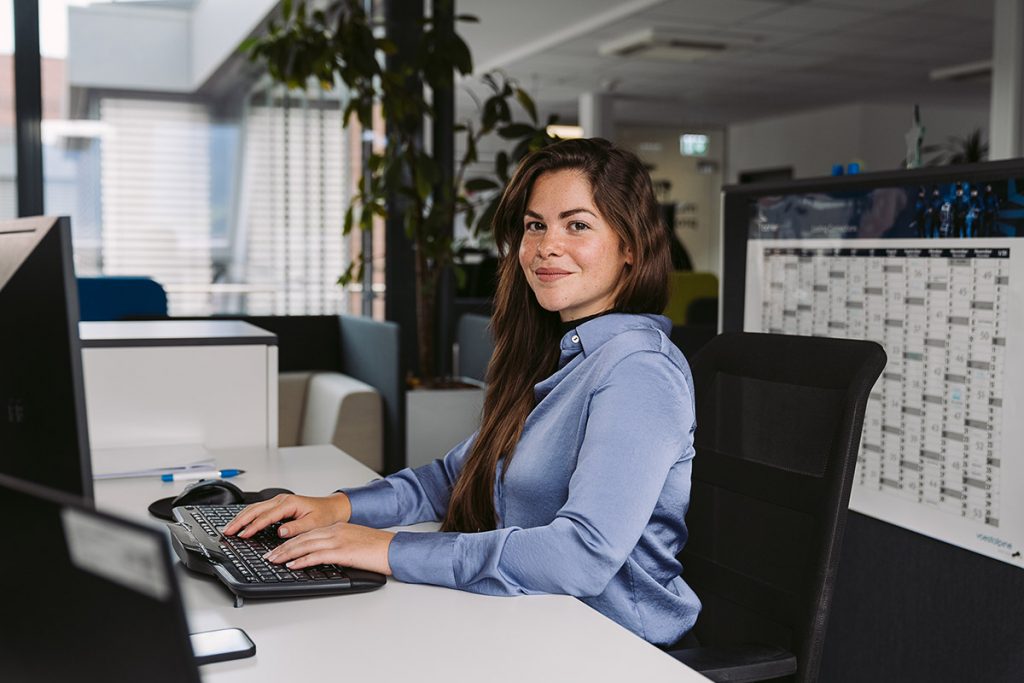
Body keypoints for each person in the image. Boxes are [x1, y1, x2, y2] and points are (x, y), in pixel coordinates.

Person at [224, 137, 701, 647]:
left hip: (616, 646)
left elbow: (580, 557)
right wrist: (336, 508)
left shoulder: (637, 371)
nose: (546, 246)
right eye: (535, 225)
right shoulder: (557, 357)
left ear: (630, 247)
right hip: (536, 620)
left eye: (577, 224)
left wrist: (387, 549)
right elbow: (451, 479)